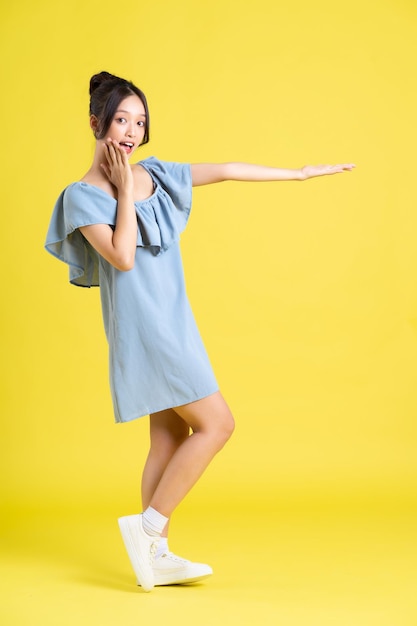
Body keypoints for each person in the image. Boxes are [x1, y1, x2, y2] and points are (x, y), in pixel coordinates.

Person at [45, 71, 355, 592]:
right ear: (97, 123)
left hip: (174, 321)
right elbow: (121, 257)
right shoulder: (81, 198)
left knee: (168, 437)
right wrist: (122, 191)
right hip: (147, 332)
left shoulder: (157, 174)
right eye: (121, 119)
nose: (131, 132)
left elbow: (228, 169)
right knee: (218, 424)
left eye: (140, 122)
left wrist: (299, 174)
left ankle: (154, 555)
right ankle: (147, 531)